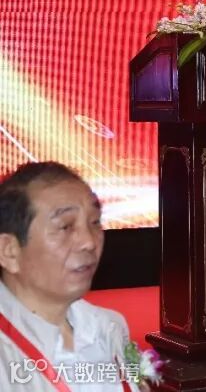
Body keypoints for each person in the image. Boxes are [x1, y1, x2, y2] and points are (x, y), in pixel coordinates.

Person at [0, 162, 135, 391]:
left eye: (94, 222)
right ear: (9, 251)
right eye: (65, 227)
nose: (89, 242)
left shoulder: (111, 326)